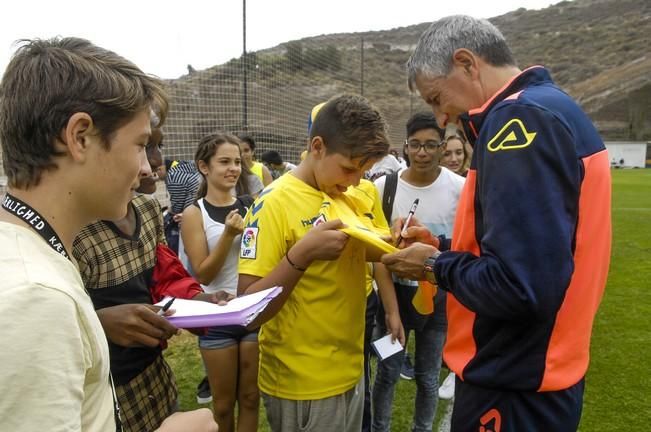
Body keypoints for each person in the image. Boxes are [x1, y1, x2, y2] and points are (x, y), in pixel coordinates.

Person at [382, 15, 611, 431]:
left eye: (436, 98)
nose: (441, 118)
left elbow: (520, 285)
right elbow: (538, 249)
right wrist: (442, 245)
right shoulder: (552, 107)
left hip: (514, 382)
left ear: (467, 63)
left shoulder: (518, 124)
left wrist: (434, 266)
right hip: (542, 371)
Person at [0, 36, 175, 431]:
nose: (146, 169)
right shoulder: (34, 298)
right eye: (139, 145)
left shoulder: (30, 254)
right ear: (80, 137)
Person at [237, 94, 391, 432]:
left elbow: (366, 252)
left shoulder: (345, 194)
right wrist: (301, 256)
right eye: (350, 168)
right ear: (317, 146)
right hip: (302, 382)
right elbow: (247, 311)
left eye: (363, 171)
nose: (355, 181)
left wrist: (402, 248)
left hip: (350, 370)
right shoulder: (272, 204)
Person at [72, 128, 221, 432]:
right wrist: (99, 323)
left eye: (156, 146)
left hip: (157, 382)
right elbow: (54, 328)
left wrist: (196, 300)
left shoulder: (148, 208)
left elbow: (163, 278)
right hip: (109, 395)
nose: (153, 161)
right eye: (142, 146)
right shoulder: (73, 228)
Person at [372, 112, 464, 432]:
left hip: (438, 295)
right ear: (406, 147)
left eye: (430, 145)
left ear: (442, 148)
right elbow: (378, 255)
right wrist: (391, 311)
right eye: (415, 145)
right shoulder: (385, 187)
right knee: (387, 372)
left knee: (427, 377)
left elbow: (465, 248)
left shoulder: (460, 189)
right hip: (393, 293)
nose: (422, 152)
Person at [181, 133, 259, 432]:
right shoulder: (193, 213)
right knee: (224, 406)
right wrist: (227, 236)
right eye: (224, 161)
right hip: (216, 316)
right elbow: (203, 274)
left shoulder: (251, 205)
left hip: (251, 310)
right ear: (204, 166)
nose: (233, 168)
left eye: (237, 162)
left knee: (251, 398)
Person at [159, 157, 201, 254]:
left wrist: (170, 211)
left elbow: (177, 206)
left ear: (160, 169)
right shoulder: (182, 166)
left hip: (190, 211)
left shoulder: (173, 176)